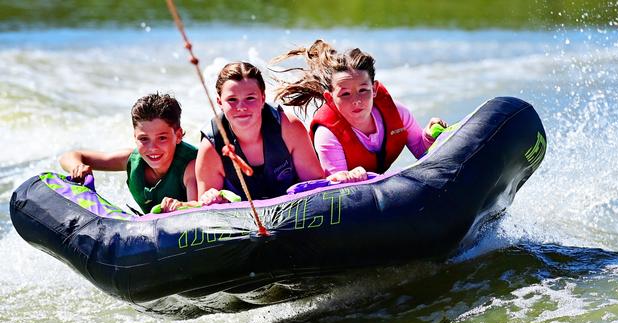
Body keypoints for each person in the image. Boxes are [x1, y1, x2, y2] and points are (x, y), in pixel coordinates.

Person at [271, 39, 447, 177]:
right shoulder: (327, 135)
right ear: (330, 98)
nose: (356, 100)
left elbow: (422, 153)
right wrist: (346, 177)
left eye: (363, 90)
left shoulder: (399, 114)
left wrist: (430, 136)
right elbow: (336, 186)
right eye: (345, 94)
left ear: (375, 89)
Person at [196, 61, 329, 205]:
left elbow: (316, 186)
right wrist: (212, 198)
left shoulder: (289, 127)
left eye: (250, 98)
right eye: (232, 100)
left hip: (293, 212)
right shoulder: (211, 148)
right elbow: (206, 211)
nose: (241, 107)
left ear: (263, 98)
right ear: (220, 102)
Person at [59, 93, 198, 213]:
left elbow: (199, 208)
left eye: (162, 138)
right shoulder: (131, 160)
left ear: (178, 135)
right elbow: (69, 156)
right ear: (135, 137)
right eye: (144, 139)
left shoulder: (192, 166)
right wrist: (77, 166)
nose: (152, 148)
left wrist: (182, 206)